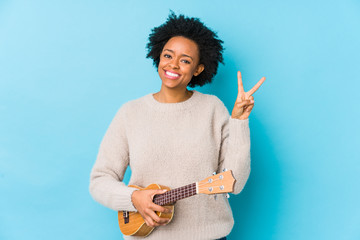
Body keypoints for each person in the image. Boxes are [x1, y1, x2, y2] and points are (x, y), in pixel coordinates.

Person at [89, 12, 265, 240]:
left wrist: (239, 121)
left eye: (185, 60)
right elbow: (100, 180)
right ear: (158, 57)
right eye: (168, 55)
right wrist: (134, 198)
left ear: (198, 69)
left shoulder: (212, 108)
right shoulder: (130, 113)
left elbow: (235, 182)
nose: (173, 64)